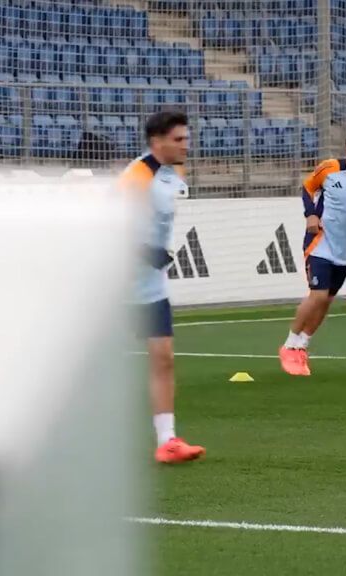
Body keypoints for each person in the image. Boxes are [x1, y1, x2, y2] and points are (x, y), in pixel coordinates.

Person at [120, 111, 205, 464]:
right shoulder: (135, 178)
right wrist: (145, 251)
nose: (186, 145)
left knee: (163, 358)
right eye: (179, 139)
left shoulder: (176, 173)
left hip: (151, 284)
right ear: (157, 142)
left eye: (187, 138)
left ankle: (167, 440)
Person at [279, 127, 346, 376]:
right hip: (320, 242)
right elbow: (307, 188)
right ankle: (288, 345)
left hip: (345, 248)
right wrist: (311, 214)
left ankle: (302, 346)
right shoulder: (329, 168)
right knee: (317, 295)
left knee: (327, 300)